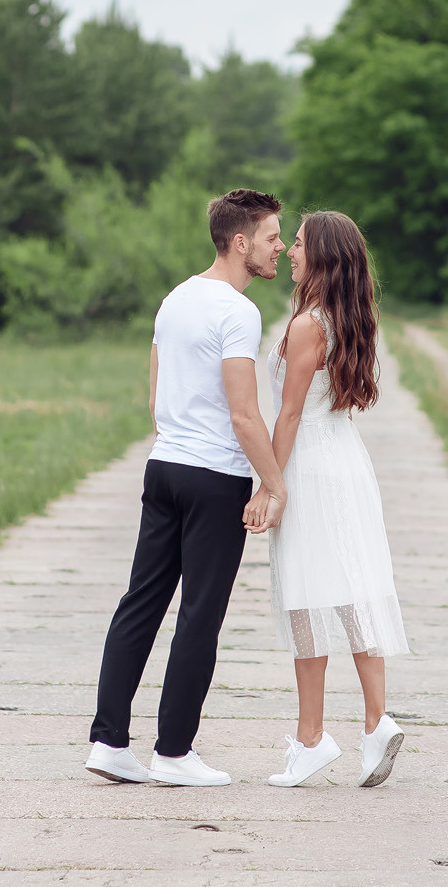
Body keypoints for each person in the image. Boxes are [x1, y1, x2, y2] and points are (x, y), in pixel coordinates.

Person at [84, 188, 289, 787]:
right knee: (199, 614)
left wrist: (175, 439)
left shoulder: (175, 298)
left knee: (140, 603)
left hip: (164, 466)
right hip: (212, 478)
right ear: (241, 242)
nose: (279, 248)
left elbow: (155, 393)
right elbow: (245, 415)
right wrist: (273, 485)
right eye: (273, 237)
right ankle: (174, 752)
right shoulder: (238, 311)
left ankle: (108, 742)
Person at [260, 209, 409, 789]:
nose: (289, 252)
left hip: (313, 463)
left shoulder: (305, 326)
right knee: (351, 588)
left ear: (320, 256)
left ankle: (311, 737)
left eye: (296, 245)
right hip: (346, 457)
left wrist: (269, 484)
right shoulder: (348, 318)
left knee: (306, 593)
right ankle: (375, 721)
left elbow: (291, 413)